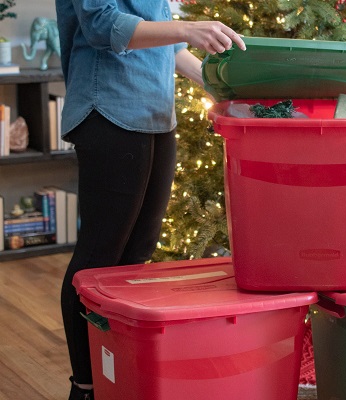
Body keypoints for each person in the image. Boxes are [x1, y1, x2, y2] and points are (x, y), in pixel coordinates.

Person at [54, 1, 246, 399]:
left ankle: (115, 375)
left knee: (135, 256)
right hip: (107, 108)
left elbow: (167, 43)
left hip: (157, 114)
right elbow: (102, 24)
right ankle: (85, 388)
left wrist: (223, 87)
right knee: (99, 258)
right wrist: (188, 28)